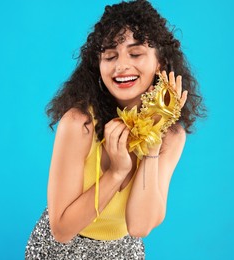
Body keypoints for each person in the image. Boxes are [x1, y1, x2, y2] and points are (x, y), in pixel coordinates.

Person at [25, 0, 206, 259]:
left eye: (135, 54)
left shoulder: (171, 137)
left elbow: (139, 226)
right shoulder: (79, 124)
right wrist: (116, 172)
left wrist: (153, 140)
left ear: (160, 63)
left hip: (123, 251)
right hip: (58, 251)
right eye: (110, 55)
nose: (121, 66)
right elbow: (62, 230)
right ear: (98, 66)